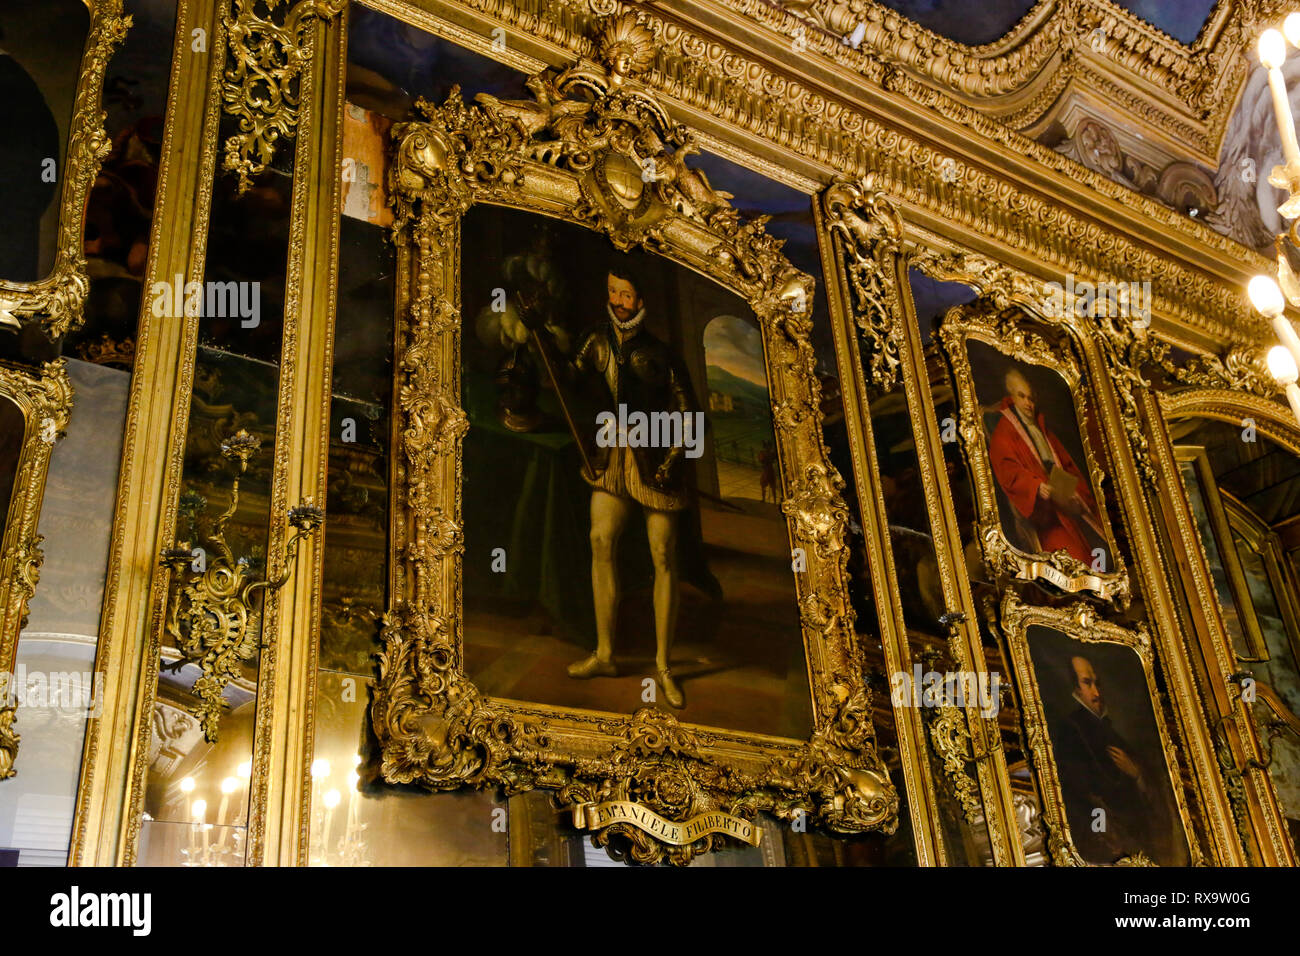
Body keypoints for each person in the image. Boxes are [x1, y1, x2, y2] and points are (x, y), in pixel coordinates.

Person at [519, 263, 696, 708]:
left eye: (626, 294)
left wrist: (672, 458)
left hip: (655, 456)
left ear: (641, 301)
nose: (618, 301)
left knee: (662, 555)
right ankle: (604, 653)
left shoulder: (661, 353)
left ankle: (664, 666)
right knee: (600, 540)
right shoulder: (595, 338)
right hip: (612, 453)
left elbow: (688, 412)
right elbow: (571, 380)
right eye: (612, 291)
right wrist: (539, 333)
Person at [988, 367, 1105, 565]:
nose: (1028, 403)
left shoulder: (1040, 424)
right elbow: (1008, 470)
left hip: (1068, 506)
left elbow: (1067, 466)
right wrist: (1035, 486)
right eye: (1022, 396)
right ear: (1011, 397)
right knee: (1075, 557)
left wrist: (1075, 494)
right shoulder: (1004, 431)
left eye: (1031, 398)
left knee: (1101, 546)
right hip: (1047, 516)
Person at [1053, 654, 1164, 863]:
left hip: (1134, 839)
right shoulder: (1072, 729)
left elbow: (1147, 786)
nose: (1097, 693)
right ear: (1075, 689)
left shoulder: (1107, 728)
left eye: (1097, 683)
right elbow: (1083, 794)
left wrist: (1137, 774)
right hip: (1102, 839)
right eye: (1087, 683)